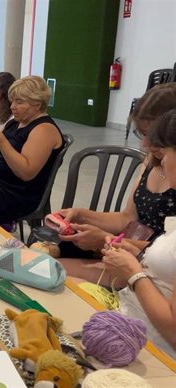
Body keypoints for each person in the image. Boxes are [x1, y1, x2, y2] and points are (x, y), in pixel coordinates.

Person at [58, 84, 176, 284]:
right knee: (46, 265)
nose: (144, 144)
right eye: (142, 134)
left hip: (153, 272)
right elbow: (127, 218)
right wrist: (80, 214)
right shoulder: (152, 161)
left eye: (153, 136)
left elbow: (165, 257)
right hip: (130, 256)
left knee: (51, 270)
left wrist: (105, 240)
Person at [99, 108, 176, 359]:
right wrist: (140, 253)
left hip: (149, 346)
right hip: (130, 319)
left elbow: (173, 331)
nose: (161, 162)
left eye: (164, 154)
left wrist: (134, 272)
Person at [0, 75, 64, 224]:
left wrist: (2, 142)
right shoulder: (14, 124)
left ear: (37, 104)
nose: (13, 106)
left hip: (16, 194)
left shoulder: (44, 129)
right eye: (12, 101)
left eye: (19, 102)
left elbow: (26, 172)